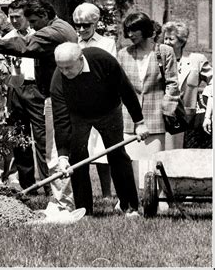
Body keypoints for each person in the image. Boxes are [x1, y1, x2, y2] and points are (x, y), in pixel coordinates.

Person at [0, 0, 77, 211]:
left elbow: (25, 46)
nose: (33, 27)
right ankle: (58, 195)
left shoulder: (53, 31)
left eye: (34, 22)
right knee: (52, 148)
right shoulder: (60, 26)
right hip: (53, 93)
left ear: (45, 16)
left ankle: (60, 199)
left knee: (53, 149)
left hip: (57, 96)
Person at [51, 42, 149, 217]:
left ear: (81, 59)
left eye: (68, 68)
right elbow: (61, 119)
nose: (64, 72)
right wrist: (63, 155)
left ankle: (130, 206)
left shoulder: (102, 60)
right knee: (77, 158)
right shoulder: (58, 80)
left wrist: (139, 122)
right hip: (78, 115)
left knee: (117, 154)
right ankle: (84, 211)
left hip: (108, 111)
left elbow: (126, 89)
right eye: (61, 68)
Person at [117, 12, 180, 190]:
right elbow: (118, 86)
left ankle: (160, 197)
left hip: (156, 114)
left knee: (155, 160)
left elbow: (173, 84)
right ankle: (130, 197)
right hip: (129, 117)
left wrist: (167, 109)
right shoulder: (123, 54)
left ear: (145, 29)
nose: (130, 35)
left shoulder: (164, 52)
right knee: (129, 160)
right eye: (127, 31)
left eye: (134, 30)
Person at [1, 0, 49, 193]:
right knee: (20, 139)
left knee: (42, 137)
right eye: (10, 17)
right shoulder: (7, 39)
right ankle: (27, 185)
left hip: (36, 88)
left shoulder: (39, 35)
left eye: (17, 17)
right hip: (15, 88)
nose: (14, 21)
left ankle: (47, 183)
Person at [72, 2, 117, 199]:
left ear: (96, 23)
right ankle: (81, 194)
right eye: (78, 25)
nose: (81, 29)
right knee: (79, 149)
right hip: (78, 103)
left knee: (102, 149)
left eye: (86, 25)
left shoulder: (107, 43)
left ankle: (107, 193)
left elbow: (112, 73)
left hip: (101, 102)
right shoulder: (72, 43)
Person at [161, 21, 212, 149]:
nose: (166, 42)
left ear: (182, 41)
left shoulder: (197, 60)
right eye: (165, 38)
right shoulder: (159, 61)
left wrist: (206, 99)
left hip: (190, 119)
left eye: (171, 39)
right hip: (167, 118)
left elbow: (212, 81)